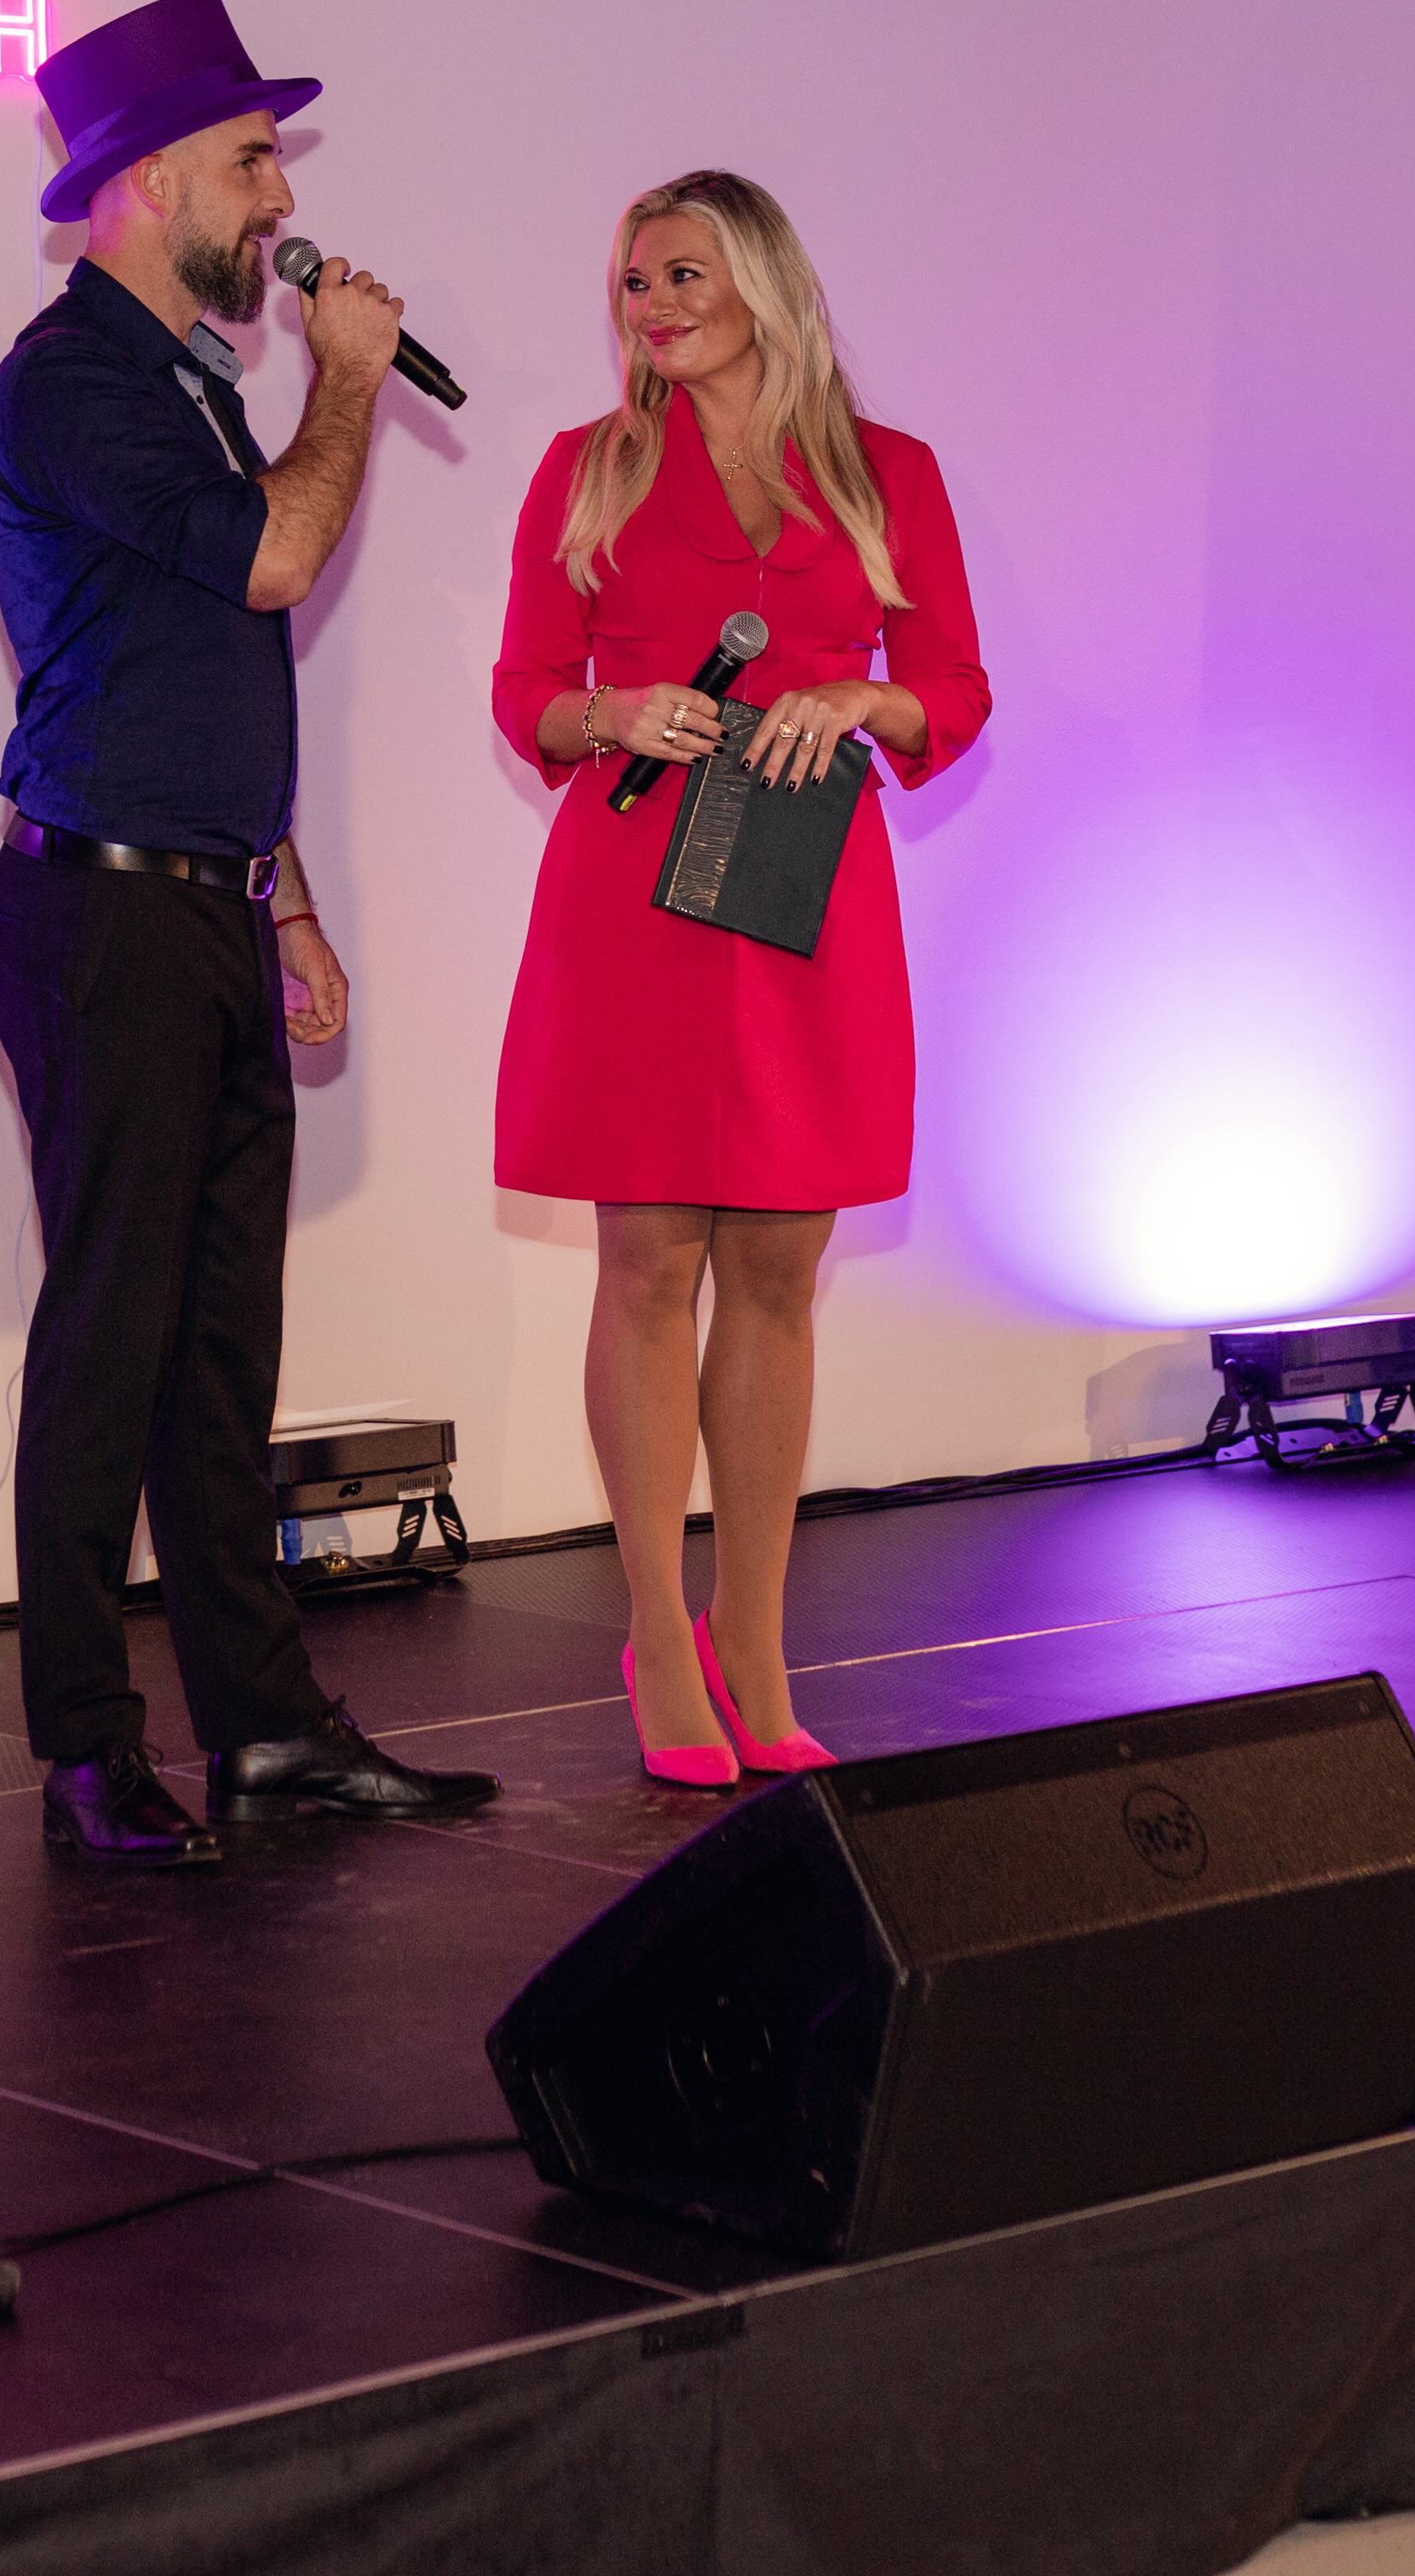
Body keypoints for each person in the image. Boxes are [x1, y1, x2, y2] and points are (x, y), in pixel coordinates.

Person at [0, 0, 503, 1864]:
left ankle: (266, 1730)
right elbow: (278, 556)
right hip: (101, 916)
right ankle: (87, 1747)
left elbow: (199, 668)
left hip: (201, 903)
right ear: (140, 183)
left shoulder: (190, 378)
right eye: (254, 159)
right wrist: (345, 379)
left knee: (217, 1349)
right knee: (110, 1341)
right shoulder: (73, 381)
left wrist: (285, 895)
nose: (284, 197)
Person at [486, 173, 989, 1785]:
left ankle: (753, 1639)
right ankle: (658, 1632)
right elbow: (525, 690)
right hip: (636, 890)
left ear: (762, 281)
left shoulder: (889, 473)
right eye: (634, 279)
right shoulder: (591, 467)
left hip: (802, 888)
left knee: (779, 1261)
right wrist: (611, 711)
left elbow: (953, 688)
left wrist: (858, 699)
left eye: (683, 272)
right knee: (647, 1261)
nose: (651, 302)